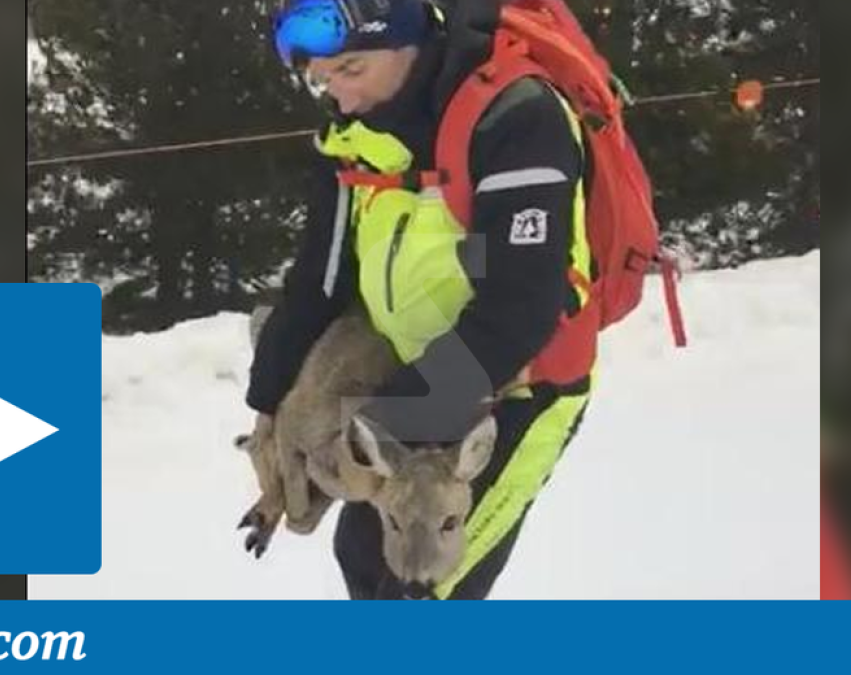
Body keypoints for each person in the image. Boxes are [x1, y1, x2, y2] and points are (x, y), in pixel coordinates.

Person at [247, 0, 594, 599]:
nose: (341, 97)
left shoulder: (516, 117)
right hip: (409, 373)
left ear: (408, 37)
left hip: (516, 387)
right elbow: (320, 281)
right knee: (360, 555)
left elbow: (518, 310)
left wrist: (380, 429)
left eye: (351, 70)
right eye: (322, 80)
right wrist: (271, 401)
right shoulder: (355, 134)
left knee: (420, 588)